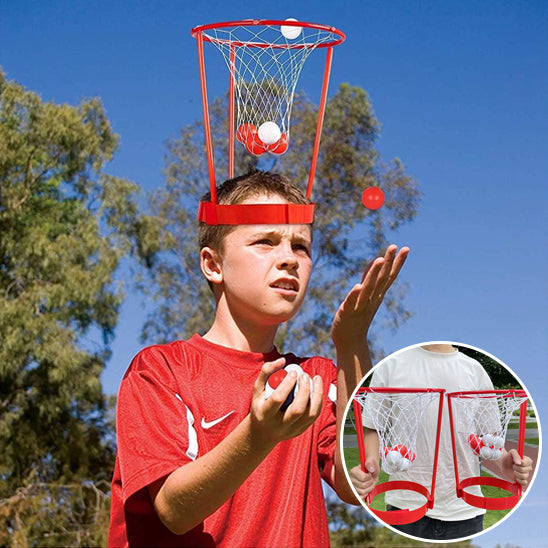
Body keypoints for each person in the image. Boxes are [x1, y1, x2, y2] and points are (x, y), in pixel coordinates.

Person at [108, 170, 409, 547]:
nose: (289, 259)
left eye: (301, 246)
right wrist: (258, 435)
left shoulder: (315, 378)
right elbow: (174, 510)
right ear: (213, 265)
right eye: (265, 241)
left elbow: (362, 481)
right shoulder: (161, 370)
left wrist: (351, 345)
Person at [349, 343, 533, 541]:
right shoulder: (390, 365)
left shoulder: (474, 370)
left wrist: (504, 462)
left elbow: (488, 437)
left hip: (466, 511)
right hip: (404, 505)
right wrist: (371, 462)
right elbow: (373, 427)